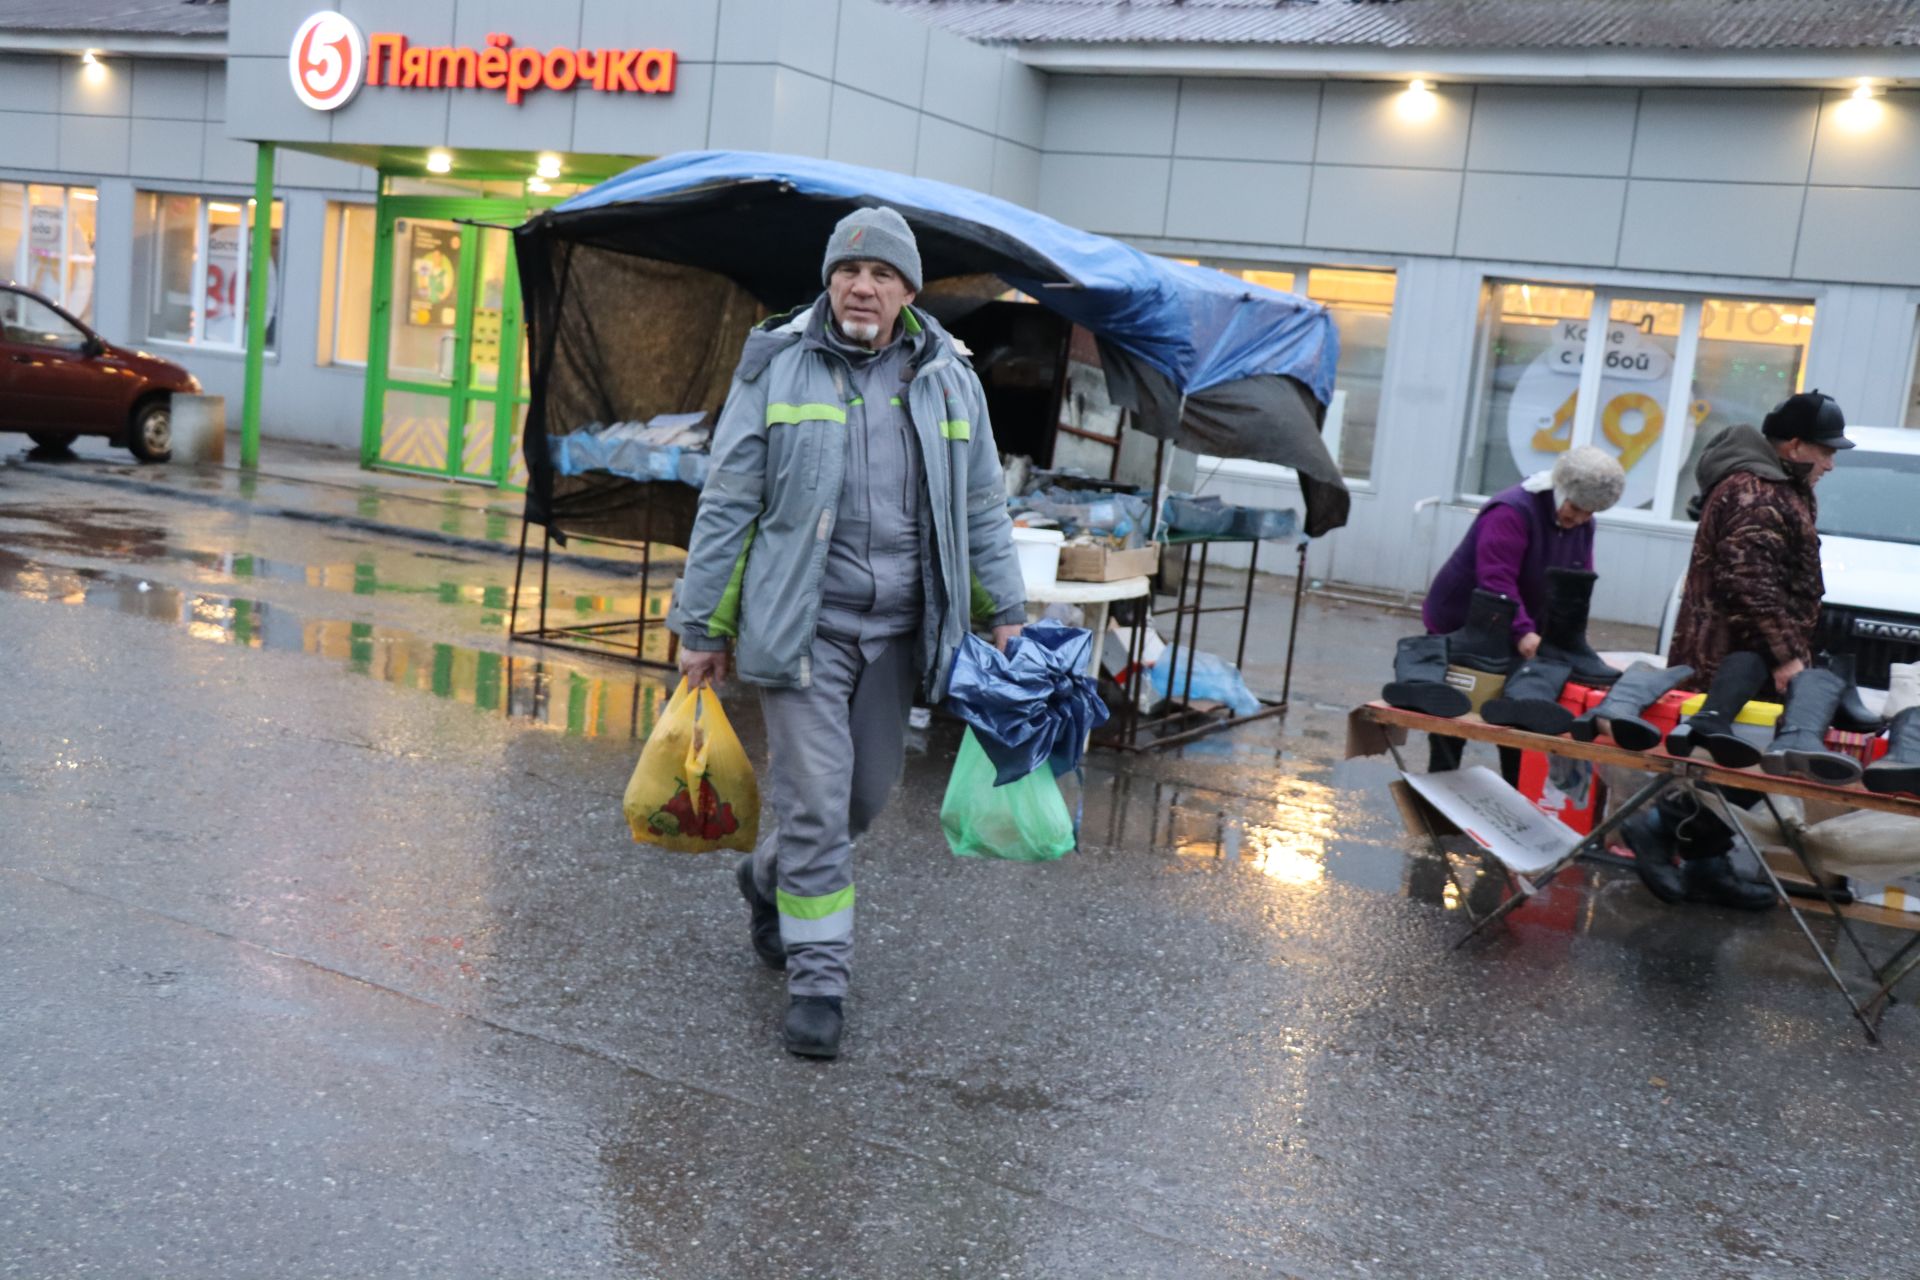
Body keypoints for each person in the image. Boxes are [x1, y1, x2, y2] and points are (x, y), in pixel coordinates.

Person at [668, 206, 1027, 1060]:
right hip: (804, 630)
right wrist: (702, 624)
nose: (862, 287)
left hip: (900, 631)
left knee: (860, 802)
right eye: (847, 271)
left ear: (908, 291)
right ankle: (819, 980)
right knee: (820, 807)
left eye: (882, 275)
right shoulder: (777, 369)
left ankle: (766, 879)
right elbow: (729, 504)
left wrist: (1004, 612)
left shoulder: (949, 378)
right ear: (830, 280)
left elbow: (980, 506)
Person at [1623, 389, 1853, 910]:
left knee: (1738, 766)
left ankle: (1706, 864)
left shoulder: (1778, 485)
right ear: (1794, 445)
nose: (1831, 463)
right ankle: (1657, 827)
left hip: (1749, 657)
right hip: (1736, 659)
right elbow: (1748, 582)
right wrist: (1788, 656)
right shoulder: (1757, 491)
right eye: (1826, 451)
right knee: (1741, 765)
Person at [1419, 445, 1626, 777]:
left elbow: (1574, 586)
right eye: (1576, 509)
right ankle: (1438, 799)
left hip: (1518, 618)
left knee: (1519, 716)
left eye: (1590, 513)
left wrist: (1566, 639)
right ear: (1561, 490)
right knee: (1454, 716)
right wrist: (1523, 631)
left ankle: (1514, 804)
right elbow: (1496, 579)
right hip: (1463, 619)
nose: (1580, 519)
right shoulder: (1512, 511)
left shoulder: (1583, 524)